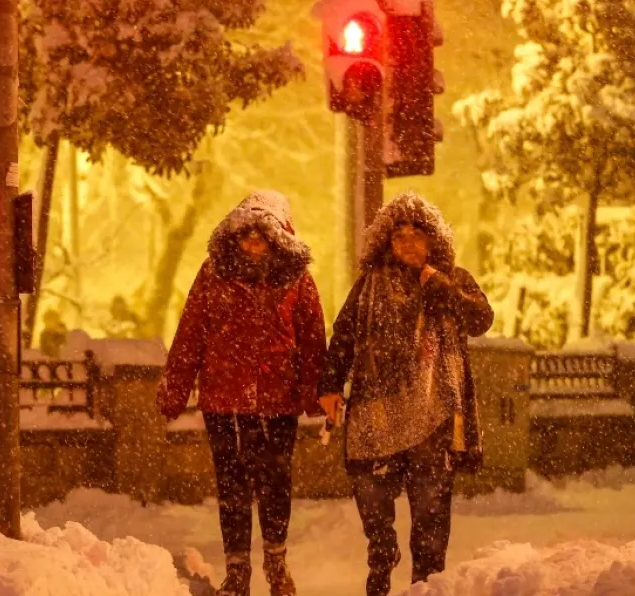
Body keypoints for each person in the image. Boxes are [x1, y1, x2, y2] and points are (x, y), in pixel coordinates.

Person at [318, 193, 493, 596]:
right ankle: (382, 554)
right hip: (376, 414)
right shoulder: (370, 284)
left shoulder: (453, 278)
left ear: (434, 240)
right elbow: (343, 335)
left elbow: (481, 319)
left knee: (430, 517)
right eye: (399, 236)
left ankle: (426, 586)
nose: (408, 243)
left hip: (433, 416)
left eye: (417, 235)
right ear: (386, 242)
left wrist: (440, 286)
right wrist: (329, 386)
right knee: (370, 494)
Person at [158, 190, 325, 596]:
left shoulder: (297, 280)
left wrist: (314, 395)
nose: (252, 244)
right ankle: (237, 571)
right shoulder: (213, 273)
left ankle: (276, 562)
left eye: (261, 236)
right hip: (224, 400)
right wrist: (174, 390)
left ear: (277, 238)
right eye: (246, 235)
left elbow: (312, 339)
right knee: (232, 489)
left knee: (275, 485)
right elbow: (192, 332)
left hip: (276, 400)